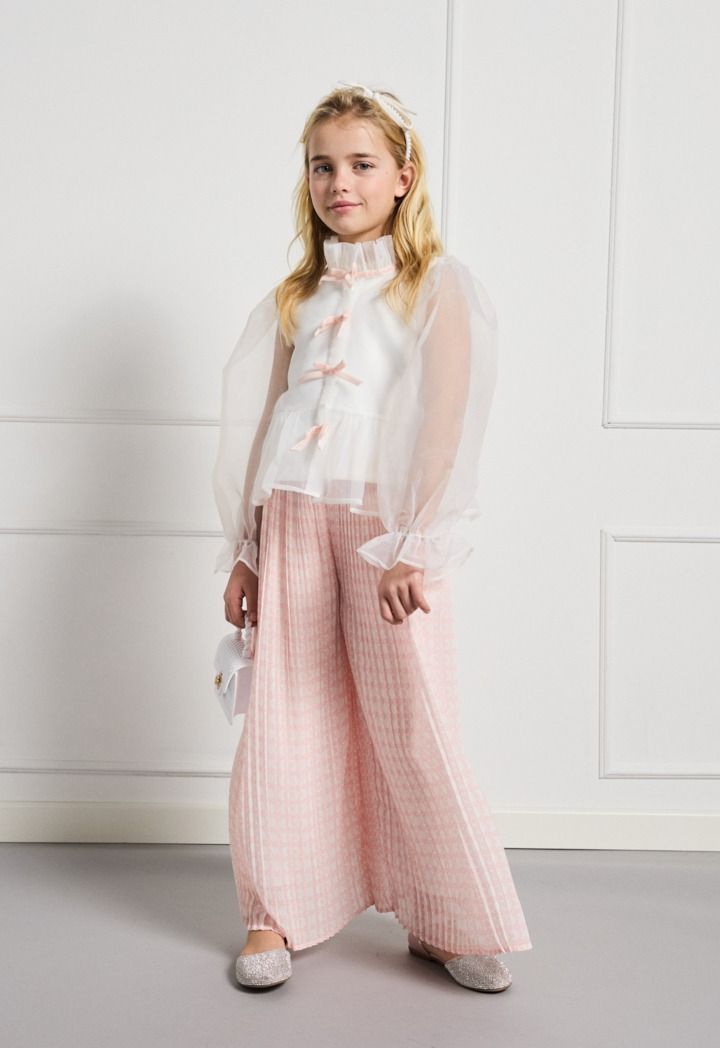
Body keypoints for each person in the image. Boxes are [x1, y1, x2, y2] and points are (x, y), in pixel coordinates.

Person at [212, 81, 532, 991]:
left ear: (403, 176)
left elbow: (445, 423)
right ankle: (273, 912)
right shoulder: (296, 296)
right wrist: (246, 550)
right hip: (292, 517)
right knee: (285, 713)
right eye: (323, 166)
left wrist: (414, 543)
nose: (339, 183)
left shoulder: (436, 285)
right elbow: (266, 423)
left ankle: (447, 916)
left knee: (413, 716)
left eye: (360, 164)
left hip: (384, 529)